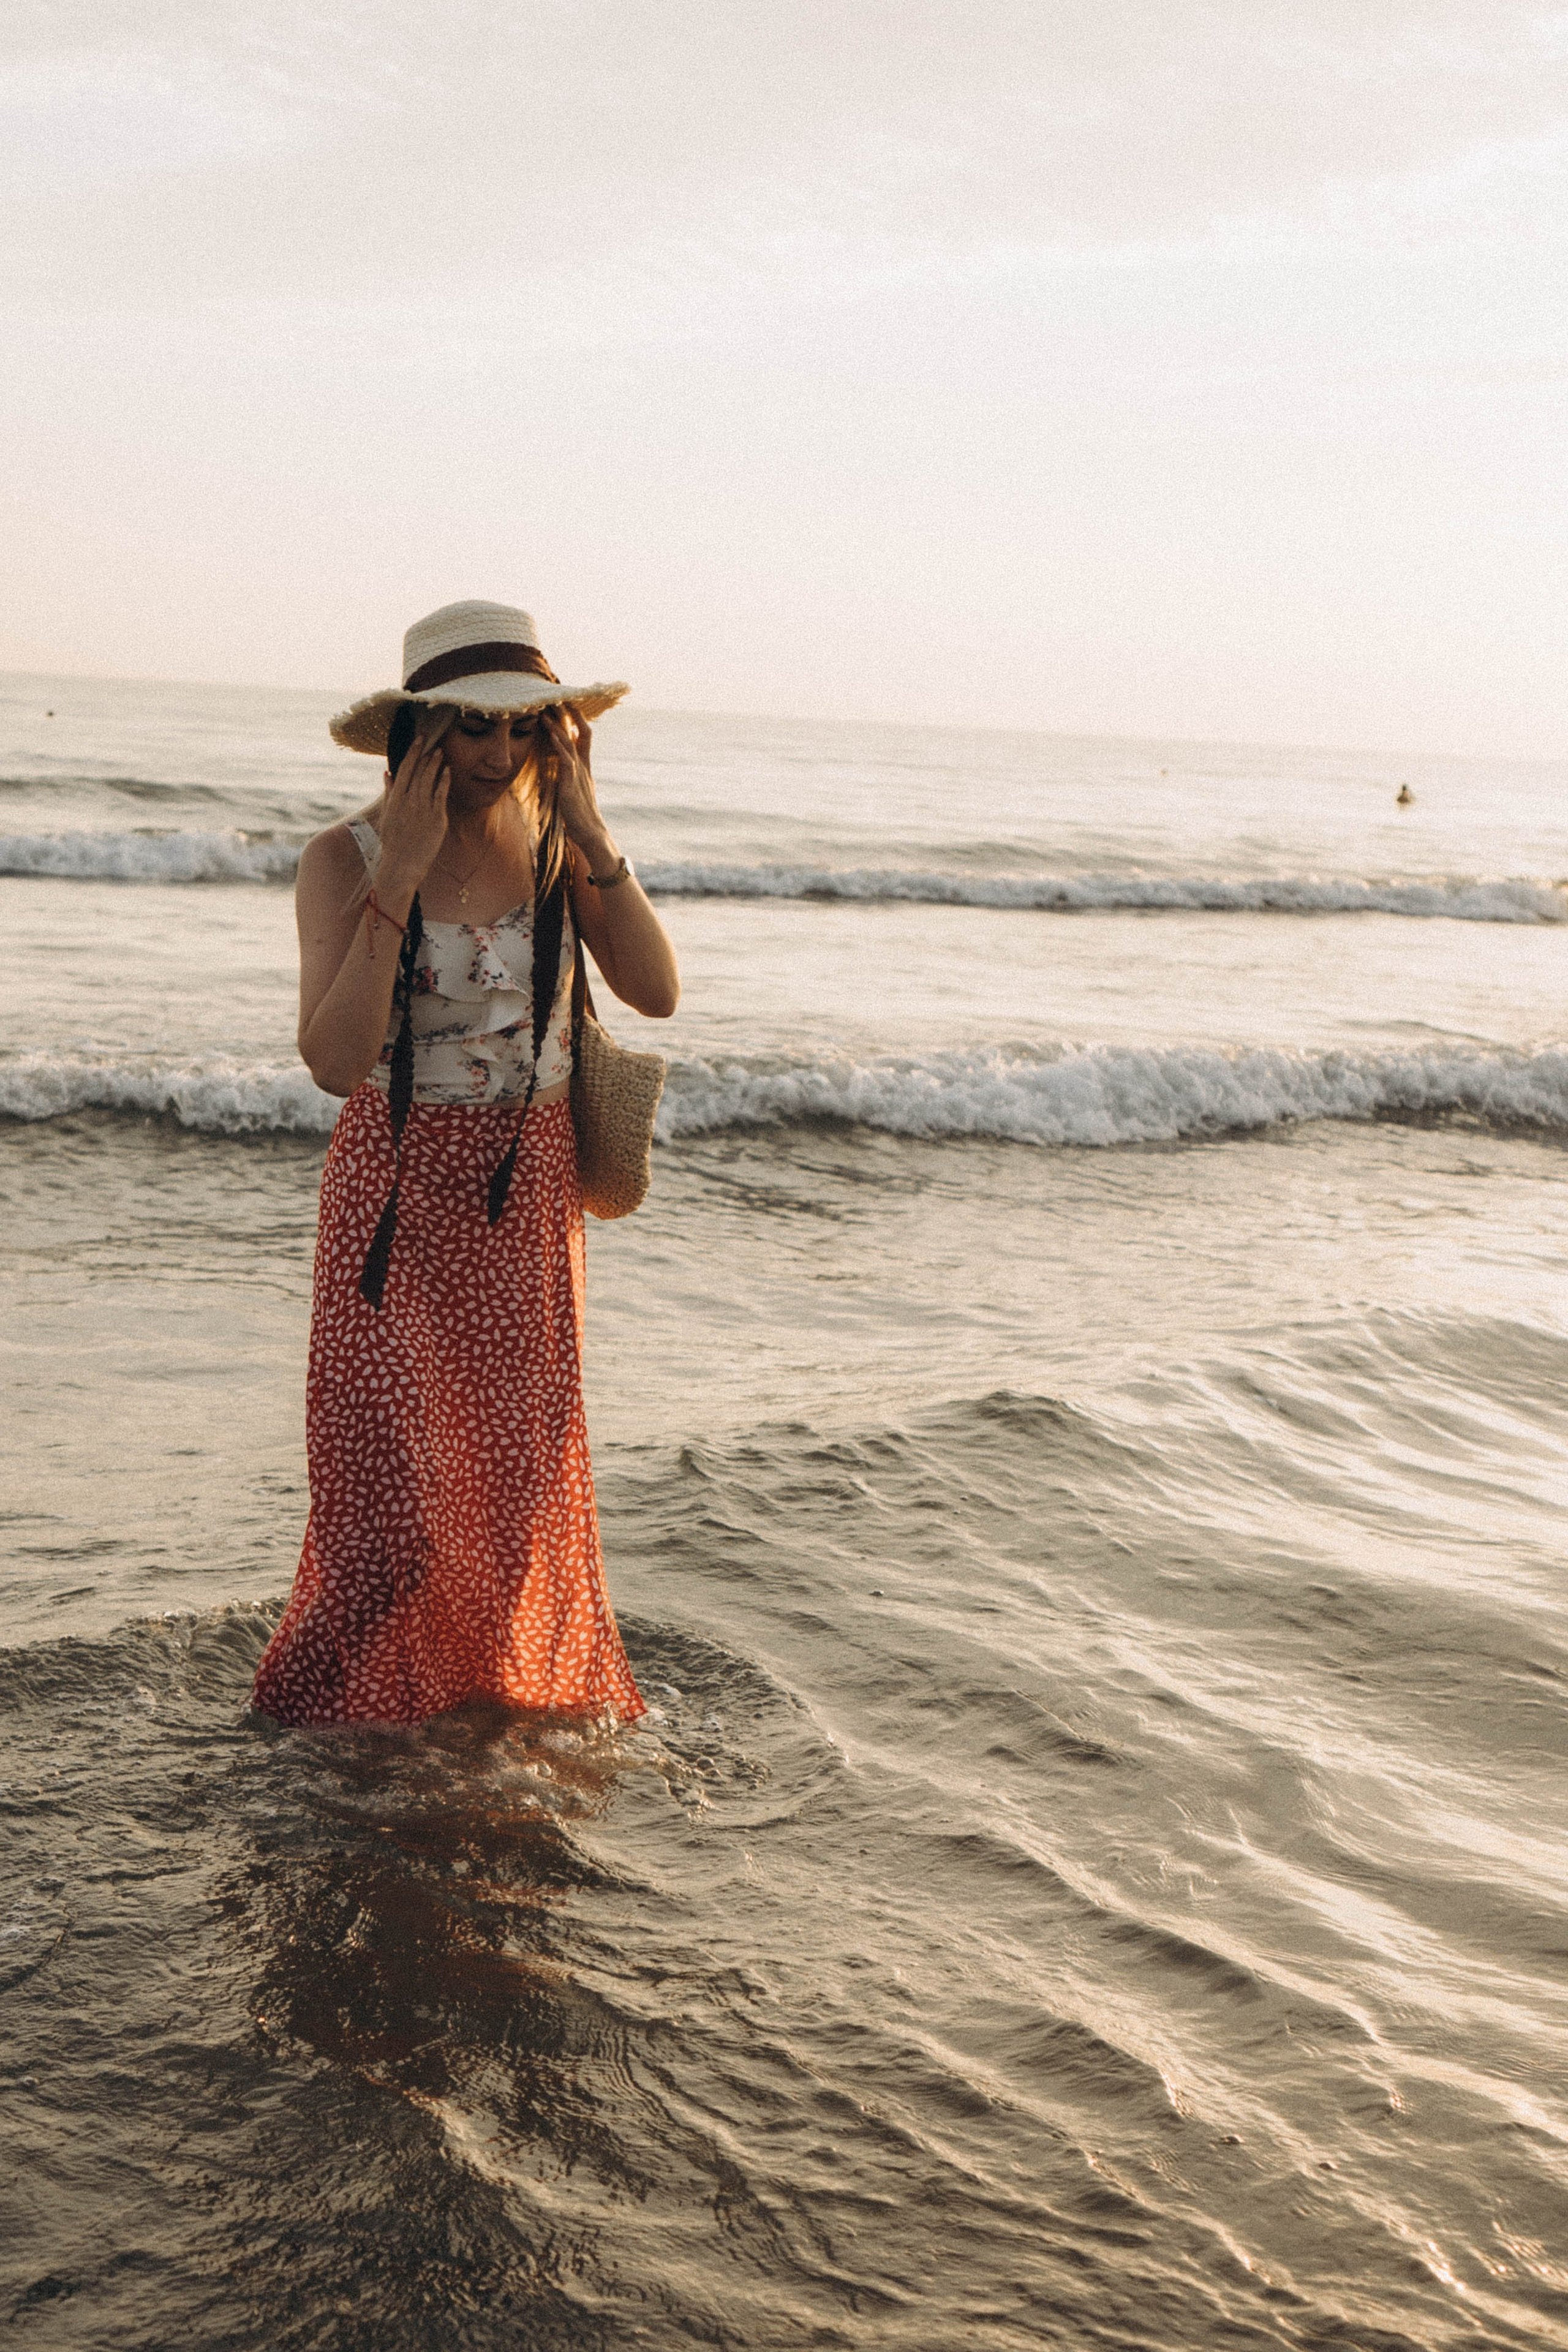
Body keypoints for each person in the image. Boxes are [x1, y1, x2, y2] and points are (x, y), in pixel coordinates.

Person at [251, 601, 679, 1728]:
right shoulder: (338, 860)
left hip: (528, 1192)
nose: (501, 756)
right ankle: (364, 1723)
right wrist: (401, 871)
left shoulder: (554, 849)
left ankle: (478, 1719)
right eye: (475, 731)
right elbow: (336, 1064)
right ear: (419, 734)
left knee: (512, 1488)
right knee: (389, 1485)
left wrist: (590, 830)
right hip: (391, 1195)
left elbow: (657, 991)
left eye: (526, 729)